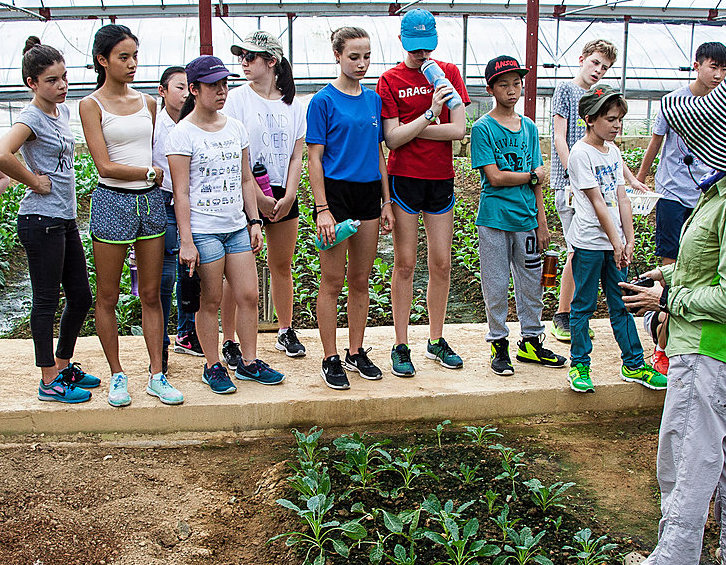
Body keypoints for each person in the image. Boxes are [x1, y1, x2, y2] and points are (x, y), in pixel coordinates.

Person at [622, 82, 726, 565]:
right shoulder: (717, 192)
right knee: (714, 463)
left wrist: (669, 296)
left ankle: (675, 558)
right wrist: (668, 271)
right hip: (708, 347)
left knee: (686, 459)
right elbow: (709, 264)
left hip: (707, 350)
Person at [167, 55, 284, 394]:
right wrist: (186, 240)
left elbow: (247, 180)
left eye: (223, 84)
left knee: (248, 295)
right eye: (212, 86)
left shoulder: (235, 127)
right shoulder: (182, 134)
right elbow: (182, 193)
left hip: (235, 227)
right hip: (204, 231)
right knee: (211, 298)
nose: (221, 91)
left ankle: (248, 363)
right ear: (194, 89)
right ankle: (212, 365)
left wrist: (254, 221)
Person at [80, 24, 183, 407]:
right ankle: (117, 376)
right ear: (102, 60)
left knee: (152, 294)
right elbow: (104, 165)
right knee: (106, 296)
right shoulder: (91, 105)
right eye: (123, 57)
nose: (132, 63)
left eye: (135, 56)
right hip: (112, 201)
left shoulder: (148, 103)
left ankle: (157, 374)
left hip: (149, 202)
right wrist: (146, 174)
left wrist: (154, 178)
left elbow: (156, 154)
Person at [0, 37, 96, 403]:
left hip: (64, 218)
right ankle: (47, 381)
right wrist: (32, 179)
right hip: (40, 220)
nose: (62, 86)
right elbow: (2, 153)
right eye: (52, 80)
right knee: (44, 301)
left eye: (64, 78)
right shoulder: (30, 117)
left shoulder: (62, 112)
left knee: (81, 296)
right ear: (32, 84)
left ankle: (63, 363)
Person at [377, 9, 469, 377]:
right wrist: (431, 114)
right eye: (414, 48)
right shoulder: (389, 79)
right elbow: (391, 138)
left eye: (426, 48)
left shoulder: (449, 73)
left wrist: (411, 129)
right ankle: (401, 344)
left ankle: (435, 338)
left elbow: (460, 130)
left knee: (442, 263)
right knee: (405, 263)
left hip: (439, 178)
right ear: (401, 41)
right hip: (405, 179)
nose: (421, 55)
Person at [306, 26, 394, 390]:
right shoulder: (322, 101)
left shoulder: (373, 100)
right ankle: (330, 356)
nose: (361, 63)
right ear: (338, 56)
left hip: (368, 193)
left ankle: (355, 351)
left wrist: (386, 202)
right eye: (353, 56)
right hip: (336, 195)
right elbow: (315, 157)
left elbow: (378, 153)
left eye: (367, 56)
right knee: (332, 281)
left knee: (360, 279)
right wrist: (322, 208)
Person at [565, 85, 666, 394]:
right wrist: (616, 242)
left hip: (615, 244)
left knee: (622, 303)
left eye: (620, 119)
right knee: (583, 305)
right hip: (590, 244)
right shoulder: (581, 154)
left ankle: (633, 364)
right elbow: (597, 202)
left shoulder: (614, 151)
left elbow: (622, 197)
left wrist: (629, 239)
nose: (617, 125)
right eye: (610, 119)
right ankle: (580, 365)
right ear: (589, 119)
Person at [471, 56, 567, 377]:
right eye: (503, 84)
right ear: (491, 89)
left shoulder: (529, 127)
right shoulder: (482, 128)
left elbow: (539, 179)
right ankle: (499, 345)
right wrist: (530, 176)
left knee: (532, 284)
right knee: (495, 285)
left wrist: (542, 222)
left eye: (516, 83)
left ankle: (531, 342)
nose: (512, 90)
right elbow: (495, 177)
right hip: (494, 220)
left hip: (526, 220)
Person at [549, 39, 649, 343]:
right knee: (576, 250)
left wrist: (630, 179)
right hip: (570, 183)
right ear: (582, 59)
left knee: (586, 250)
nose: (598, 70)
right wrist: (574, 177)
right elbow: (559, 138)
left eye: (604, 68)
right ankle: (563, 315)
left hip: (595, 185)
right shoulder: (566, 90)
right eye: (595, 63)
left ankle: (571, 314)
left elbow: (611, 151)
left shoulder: (602, 97)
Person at [635, 41, 726, 375]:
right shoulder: (674, 104)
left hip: (708, 196)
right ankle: (665, 342)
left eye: (723, 69)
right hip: (676, 193)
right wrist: (641, 179)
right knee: (675, 260)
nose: (718, 74)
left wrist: (665, 299)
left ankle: (667, 334)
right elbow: (655, 143)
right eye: (712, 66)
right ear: (697, 65)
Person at [220, 30, 306, 368]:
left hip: (283, 194)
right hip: (247, 193)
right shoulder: (237, 100)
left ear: (271, 61)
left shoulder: (293, 104)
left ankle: (285, 329)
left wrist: (289, 195)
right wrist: (257, 198)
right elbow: (237, 156)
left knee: (281, 265)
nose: (244, 62)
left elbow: (298, 155)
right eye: (241, 56)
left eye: (251, 57)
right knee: (237, 271)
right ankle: (229, 339)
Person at [152, 66, 199, 371]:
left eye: (187, 88)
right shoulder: (154, 124)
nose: (183, 94)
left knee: (191, 272)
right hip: (162, 202)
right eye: (178, 87)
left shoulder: (195, 123)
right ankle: (161, 345)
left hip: (191, 206)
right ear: (163, 90)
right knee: (165, 274)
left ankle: (186, 332)